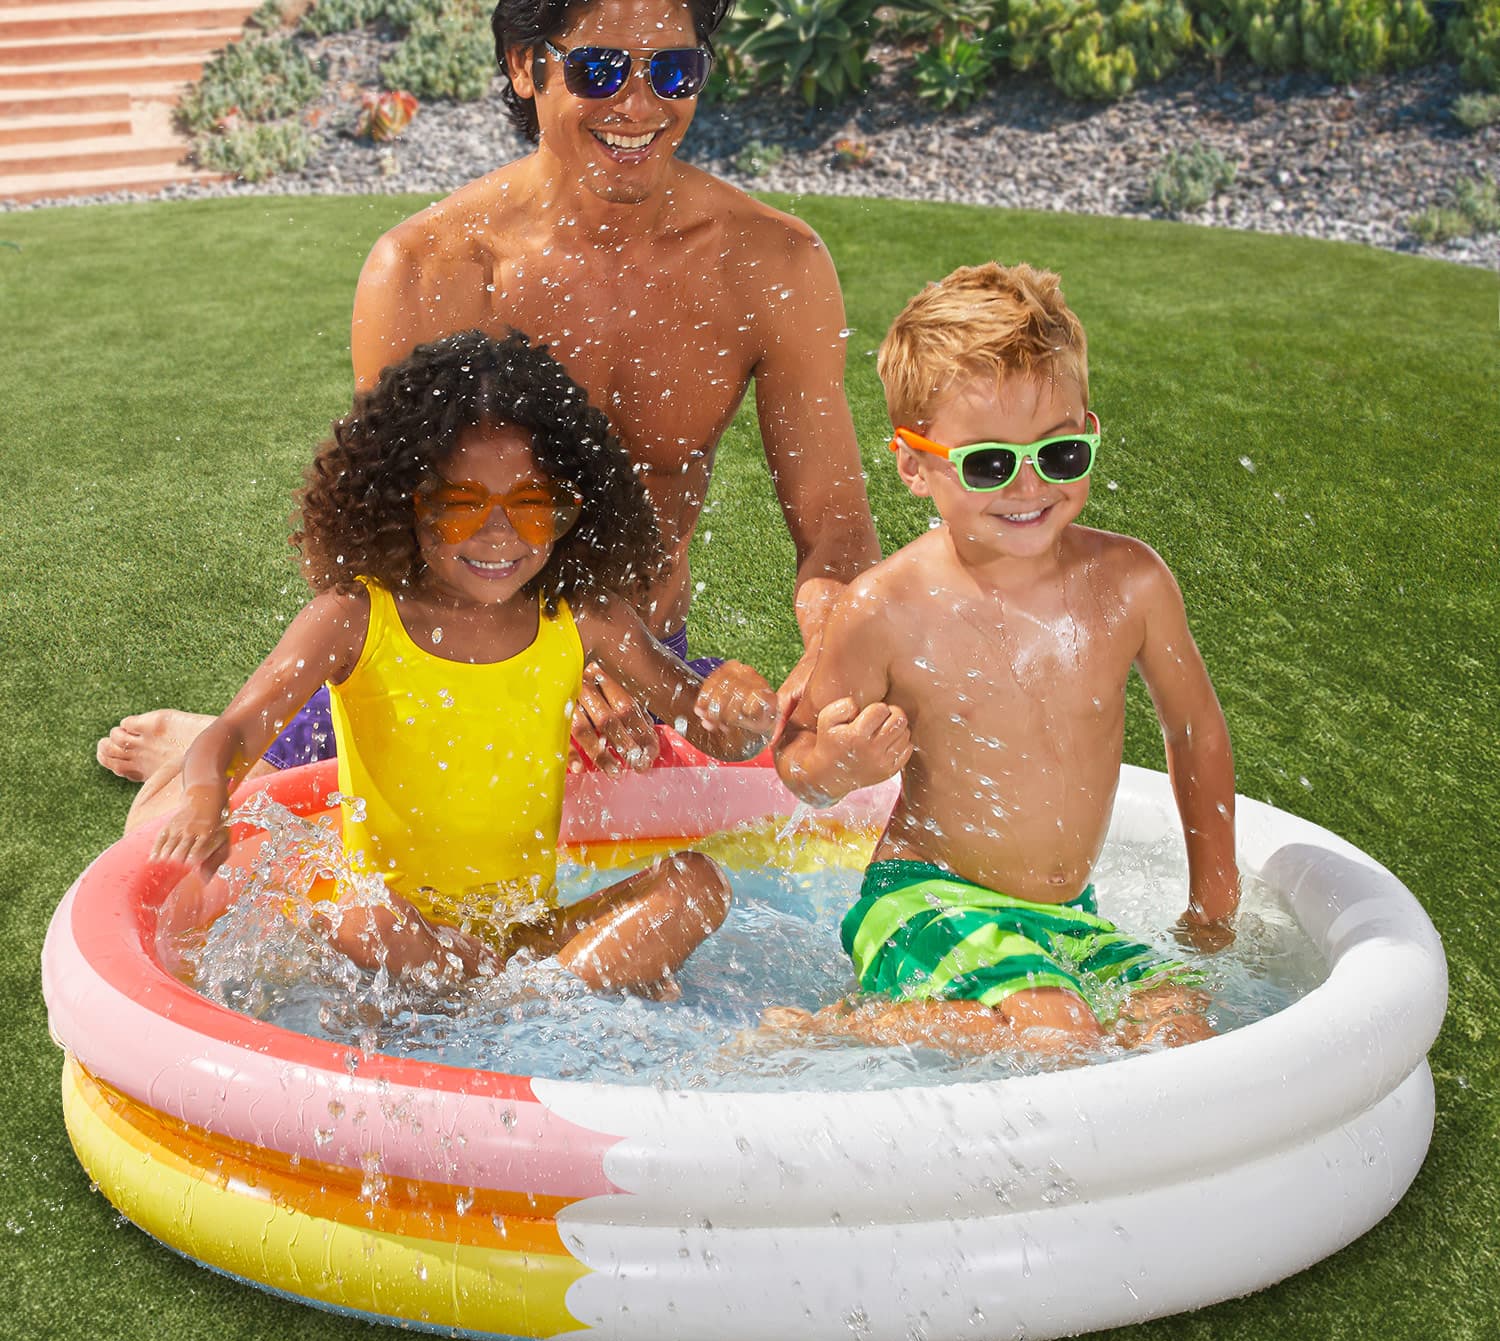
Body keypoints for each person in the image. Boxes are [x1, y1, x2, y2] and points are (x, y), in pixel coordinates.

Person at [99, 0, 880, 821]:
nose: (643, 105)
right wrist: (547, 667)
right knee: (184, 822)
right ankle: (273, 736)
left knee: (795, 787)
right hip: (456, 665)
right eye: (600, 69)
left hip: (643, 663)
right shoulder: (431, 268)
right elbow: (392, 527)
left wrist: (834, 657)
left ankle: (287, 739)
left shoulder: (770, 262)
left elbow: (836, 532)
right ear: (523, 65)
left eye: (674, 70)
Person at [152, 330, 777, 993]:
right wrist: (203, 797)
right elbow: (233, 732)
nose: (499, 533)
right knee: (356, 916)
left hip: (522, 939)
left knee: (697, 884)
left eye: (532, 506)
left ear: (572, 506)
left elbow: (710, 726)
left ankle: (522, 1002)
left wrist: (740, 704)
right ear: (402, 500)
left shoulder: (581, 615)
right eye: (459, 505)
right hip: (399, 933)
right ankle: (550, 999)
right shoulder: (356, 619)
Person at [766, 263, 1240, 1057]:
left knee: (1181, 1029)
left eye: (1058, 455)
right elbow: (797, 762)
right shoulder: (887, 607)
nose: (1027, 486)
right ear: (914, 466)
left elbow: (1195, 730)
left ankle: (1007, 1013)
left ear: (1087, 432)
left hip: (1065, 916)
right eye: (988, 463)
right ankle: (847, 1031)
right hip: (924, 902)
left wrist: (1213, 901)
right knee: (1059, 1033)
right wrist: (843, 760)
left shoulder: (1131, 583)